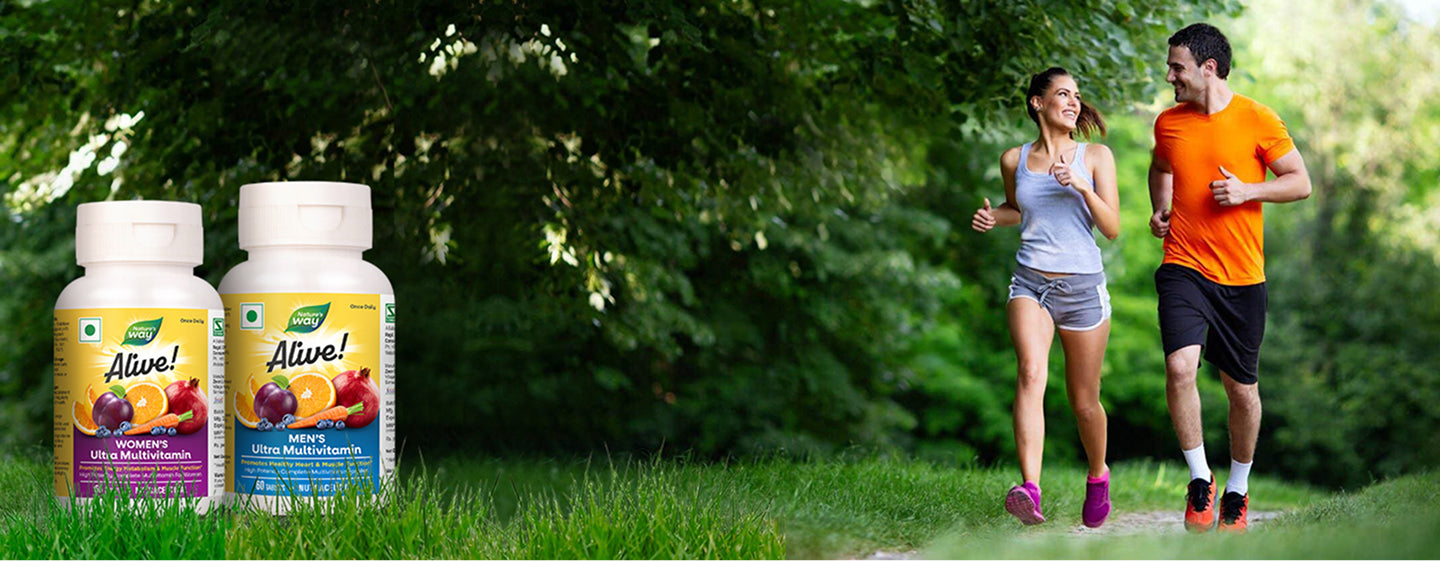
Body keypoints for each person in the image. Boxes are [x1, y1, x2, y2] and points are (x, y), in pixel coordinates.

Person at [1148, 23, 1312, 533]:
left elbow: (1299, 182)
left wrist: (1247, 192)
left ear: (1208, 67)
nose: (1170, 75)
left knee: (1241, 391)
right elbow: (1161, 167)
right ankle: (1200, 480)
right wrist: (1161, 207)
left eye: (1177, 67)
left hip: (1242, 277)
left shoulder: (1258, 119)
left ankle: (1237, 487)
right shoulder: (1168, 124)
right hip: (1184, 266)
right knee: (1180, 369)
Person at [972, 67, 1119, 528]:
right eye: (1062, 94)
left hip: (1083, 289)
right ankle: (1029, 488)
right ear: (1038, 103)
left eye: (1076, 95)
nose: (1073, 102)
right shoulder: (1014, 159)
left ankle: (1097, 476)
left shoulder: (1095, 156)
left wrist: (1080, 186)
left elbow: (1112, 228)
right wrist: (995, 217)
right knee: (1031, 372)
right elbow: (1018, 208)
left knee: (1083, 402)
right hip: (1030, 282)